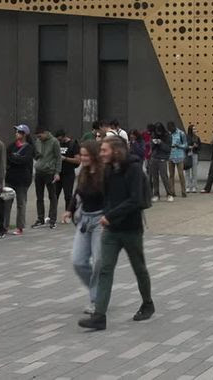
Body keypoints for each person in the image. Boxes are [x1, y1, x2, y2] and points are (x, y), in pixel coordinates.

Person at [78, 136, 154, 331]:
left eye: (104, 150)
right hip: (111, 230)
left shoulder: (134, 169)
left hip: (131, 229)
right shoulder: (109, 170)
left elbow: (136, 200)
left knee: (139, 268)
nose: (101, 153)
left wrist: (110, 216)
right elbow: (106, 197)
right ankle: (99, 316)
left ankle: (147, 303)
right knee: (104, 269)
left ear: (116, 151)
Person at [63, 140, 103, 314]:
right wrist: (69, 210)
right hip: (84, 220)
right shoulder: (83, 172)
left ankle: (97, 299)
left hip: (101, 221)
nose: (82, 158)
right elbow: (77, 193)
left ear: (94, 155)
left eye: (86, 155)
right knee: (78, 261)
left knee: (99, 262)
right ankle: (101, 290)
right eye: (81, 155)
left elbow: (113, 197)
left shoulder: (105, 173)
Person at [5, 125, 35, 236]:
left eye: (18, 132)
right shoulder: (11, 146)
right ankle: (4, 226)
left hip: (23, 180)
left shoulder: (29, 148)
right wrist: (15, 159)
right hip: (10, 178)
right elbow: (7, 158)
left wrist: (14, 159)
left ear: (24, 134)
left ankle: (20, 227)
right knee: (6, 203)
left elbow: (24, 161)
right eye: (16, 131)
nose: (16, 133)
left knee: (21, 204)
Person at [33, 126, 61, 228]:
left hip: (50, 172)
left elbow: (58, 158)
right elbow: (36, 154)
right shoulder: (38, 141)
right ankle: (40, 219)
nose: (39, 138)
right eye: (37, 137)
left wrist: (57, 172)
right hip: (39, 172)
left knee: (52, 196)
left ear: (45, 132)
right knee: (39, 197)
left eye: (40, 136)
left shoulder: (54, 142)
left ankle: (52, 219)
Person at [56, 130, 80, 214]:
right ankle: (52, 215)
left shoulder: (73, 144)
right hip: (58, 173)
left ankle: (68, 213)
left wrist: (65, 158)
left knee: (68, 195)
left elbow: (78, 160)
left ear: (64, 136)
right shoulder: (57, 144)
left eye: (61, 139)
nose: (59, 141)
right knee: (54, 195)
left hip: (68, 173)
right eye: (58, 140)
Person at [148, 123, 174, 202]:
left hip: (162, 158)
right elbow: (151, 146)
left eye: (159, 131)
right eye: (156, 131)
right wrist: (153, 142)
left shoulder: (168, 136)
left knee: (164, 177)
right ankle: (156, 194)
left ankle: (169, 194)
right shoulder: (153, 135)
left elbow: (168, 149)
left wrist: (161, 143)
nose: (158, 133)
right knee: (154, 177)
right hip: (154, 157)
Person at [167, 121, 188, 198]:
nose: (170, 130)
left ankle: (183, 191)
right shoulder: (168, 134)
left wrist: (179, 145)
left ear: (174, 127)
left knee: (180, 174)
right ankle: (172, 191)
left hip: (179, 155)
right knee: (171, 175)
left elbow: (186, 145)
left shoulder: (181, 133)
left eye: (171, 129)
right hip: (170, 155)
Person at [184, 125, 201, 193]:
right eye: (193, 129)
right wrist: (189, 147)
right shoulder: (186, 137)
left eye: (195, 129)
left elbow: (200, 147)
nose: (195, 130)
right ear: (190, 130)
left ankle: (194, 186)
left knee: (194, 171)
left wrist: (196, 146)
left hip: (194, 154)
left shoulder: (197, 138)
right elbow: (184, 146)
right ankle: (187, 186)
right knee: (187, 172)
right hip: (187, 155)